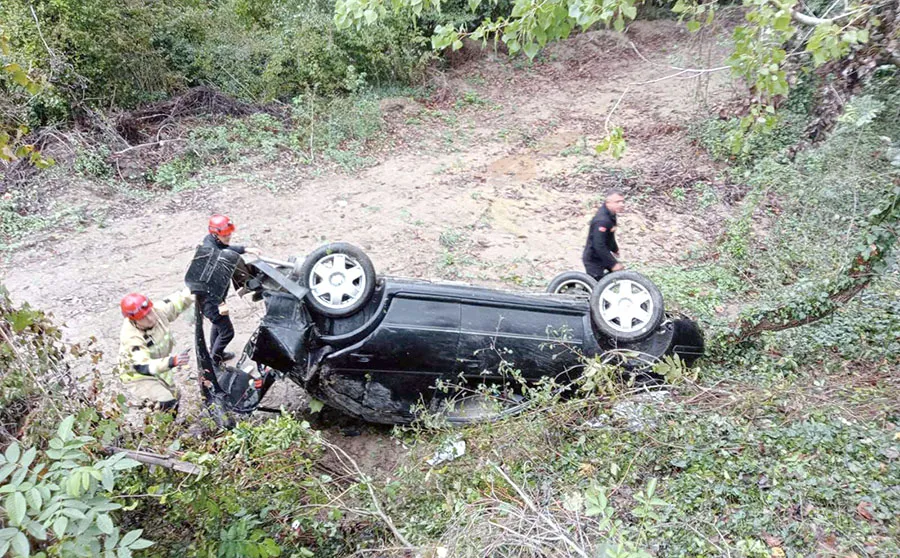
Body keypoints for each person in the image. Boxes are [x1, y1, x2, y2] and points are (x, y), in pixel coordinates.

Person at [118, 290, 194, 412]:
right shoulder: (132, 337)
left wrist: (195, 291)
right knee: (165, 401)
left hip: (159, 367)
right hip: (138, 377)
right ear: (134, 321)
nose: (150, 318)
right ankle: (161, 427)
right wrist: (172, 361)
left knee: (175, 397)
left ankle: (172, 424)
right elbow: (142, 365)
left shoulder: (158, 311)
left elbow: (179, 300)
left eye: (149, 312)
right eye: (143, 318)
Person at [200, 214, 256, 364]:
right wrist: (219, 303)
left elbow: (226, 248)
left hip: (211, 299)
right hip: (211, 299)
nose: (229, 237)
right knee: (227, 333)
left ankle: (216, 352)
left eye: (229, 233)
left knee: (218, 325)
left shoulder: (212, 241)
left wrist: (245, 249)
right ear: (215, 234)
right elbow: (209, 283)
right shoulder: (211, 256)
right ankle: (215, 359)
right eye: (225, 235)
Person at [582, 189, 626, 280]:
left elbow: (610, 235)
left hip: (602, 255)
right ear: (608, 202)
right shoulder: (602, 220)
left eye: (622, 202)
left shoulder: (611, 215)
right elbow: (598, 244)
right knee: (595, 286)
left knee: (616, 276)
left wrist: (614, 248)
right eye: (618, 202)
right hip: (593, 258)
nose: (622, 204)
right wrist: (613, 264)